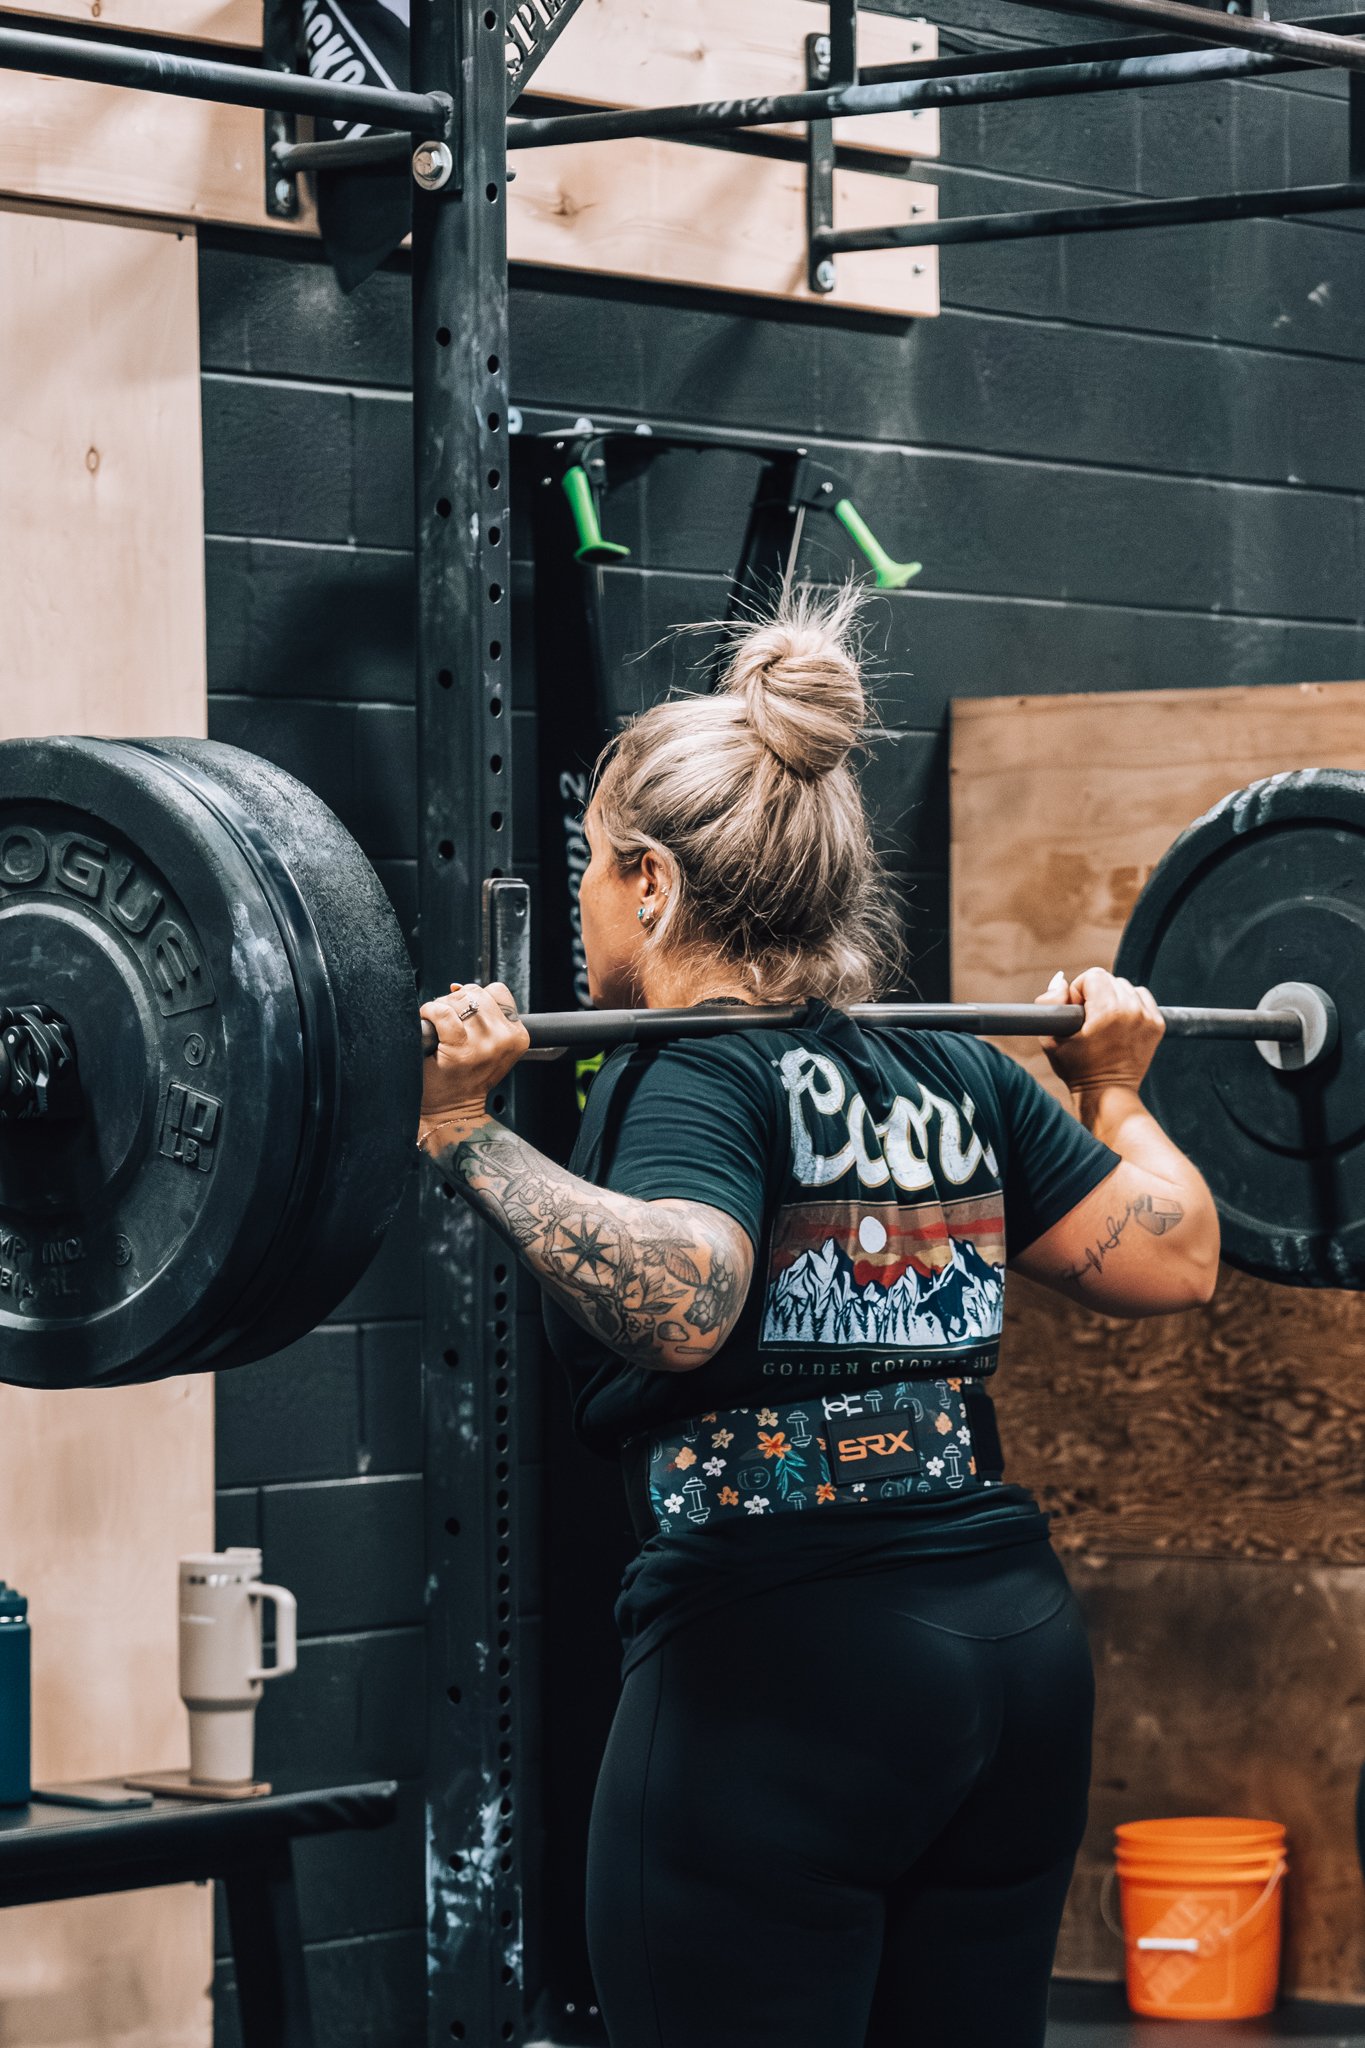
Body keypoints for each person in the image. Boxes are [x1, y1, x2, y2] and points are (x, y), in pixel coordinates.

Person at [416, 587, 1219, 2048]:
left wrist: (466, 1132)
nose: (587, 896)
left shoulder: (693, 1074)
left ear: (651, 884)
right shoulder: (951, 1070)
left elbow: (686, 1297)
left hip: (784, 1674)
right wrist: (1114, 1081)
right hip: (1005, 1662)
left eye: (594, 867)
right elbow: (1173, 1256)